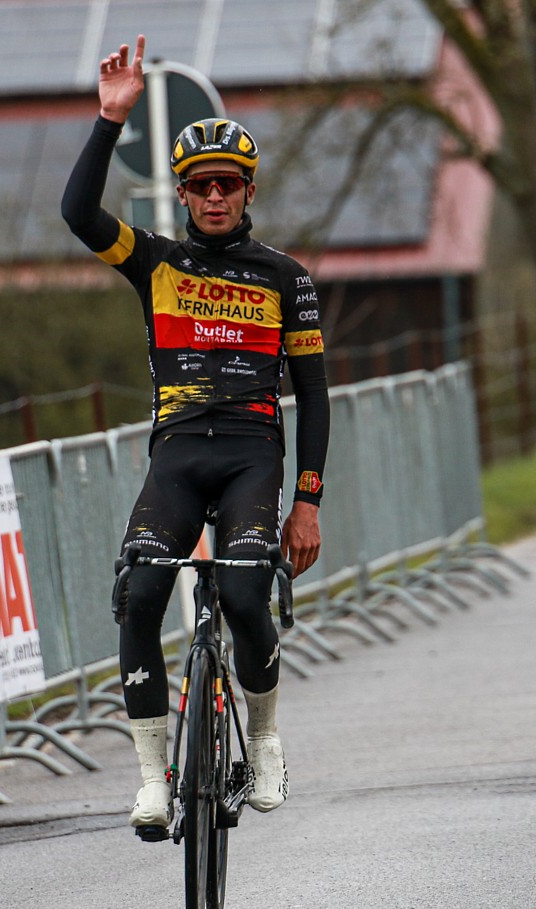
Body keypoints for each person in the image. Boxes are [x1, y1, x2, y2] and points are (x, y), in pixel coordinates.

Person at [61, 36, 329, 835]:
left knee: (245, 595)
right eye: (202, 185)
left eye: (229, 184)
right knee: (140, 594)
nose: (215, 197)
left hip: (252, 454)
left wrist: (307, 502)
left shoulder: (286, 278)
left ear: (249, 191)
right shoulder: (155, 262)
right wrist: (110, 120)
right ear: (181, 193)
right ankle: (153, 778)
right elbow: (78, 215)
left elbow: (315, 396)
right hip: (178, 455)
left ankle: (267, 741)